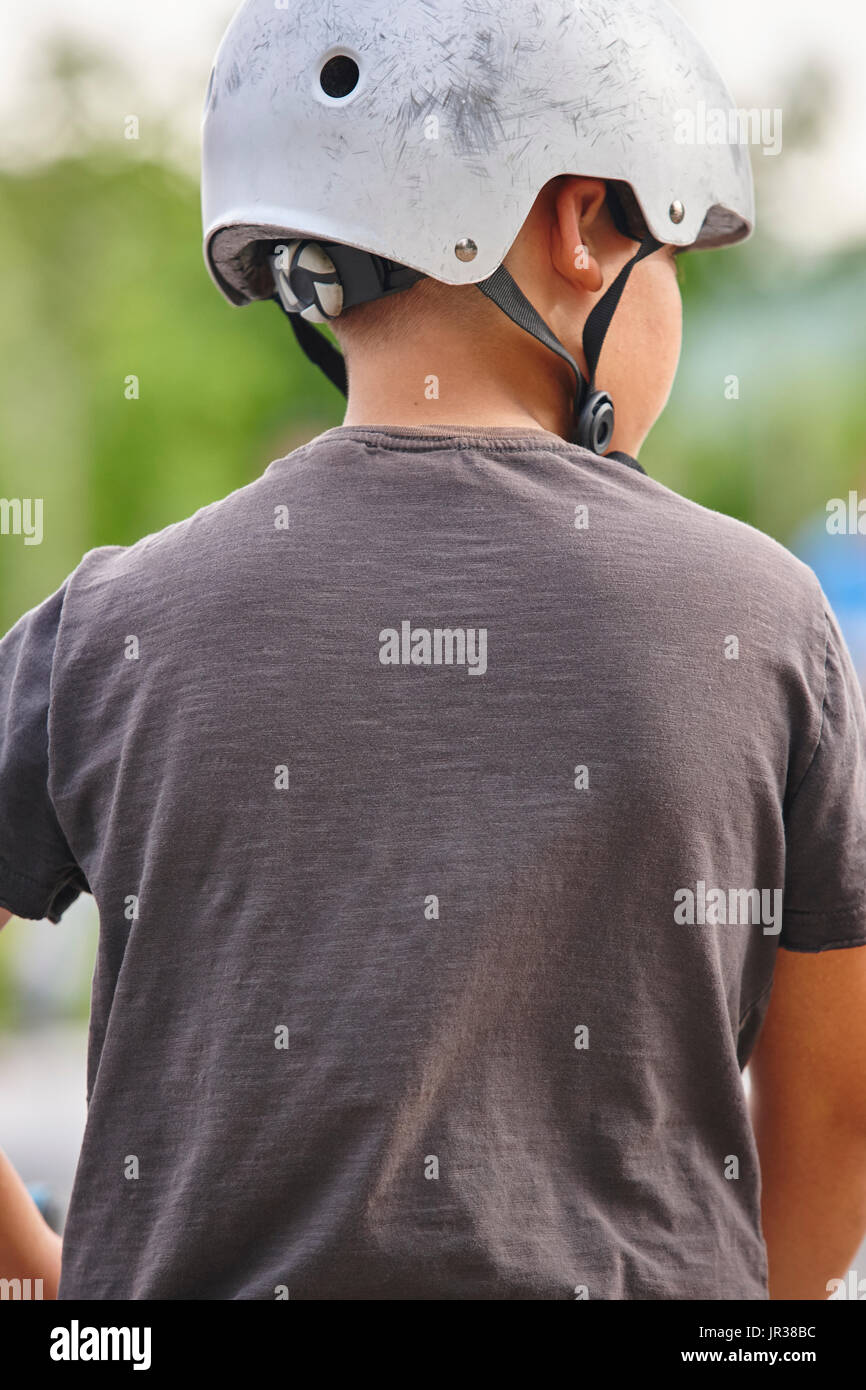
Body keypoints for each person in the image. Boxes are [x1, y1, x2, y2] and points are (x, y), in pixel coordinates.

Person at [1, 0, 865, 1302]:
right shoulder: (768, 617)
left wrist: (46, 1275)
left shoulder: (104, 625)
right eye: (671, 245)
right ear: (579, 224)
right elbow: (839, 1111)